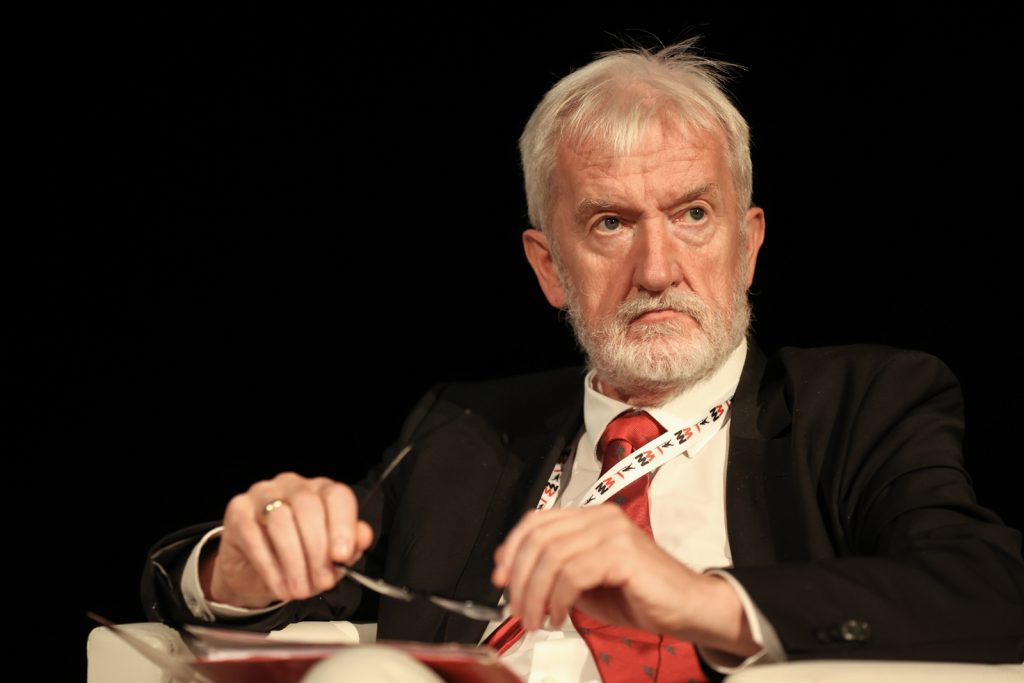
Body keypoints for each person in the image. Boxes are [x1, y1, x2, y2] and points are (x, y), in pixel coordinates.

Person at [142, 41, 1024, 680]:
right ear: (548, 268)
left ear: (749, 243)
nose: (657, 268)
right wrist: (240, 568)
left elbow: (991, 588)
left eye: (693, 214)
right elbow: (287, 590)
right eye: (610, 223)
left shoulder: (860, 402)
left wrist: (699, 598)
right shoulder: (466, 431)